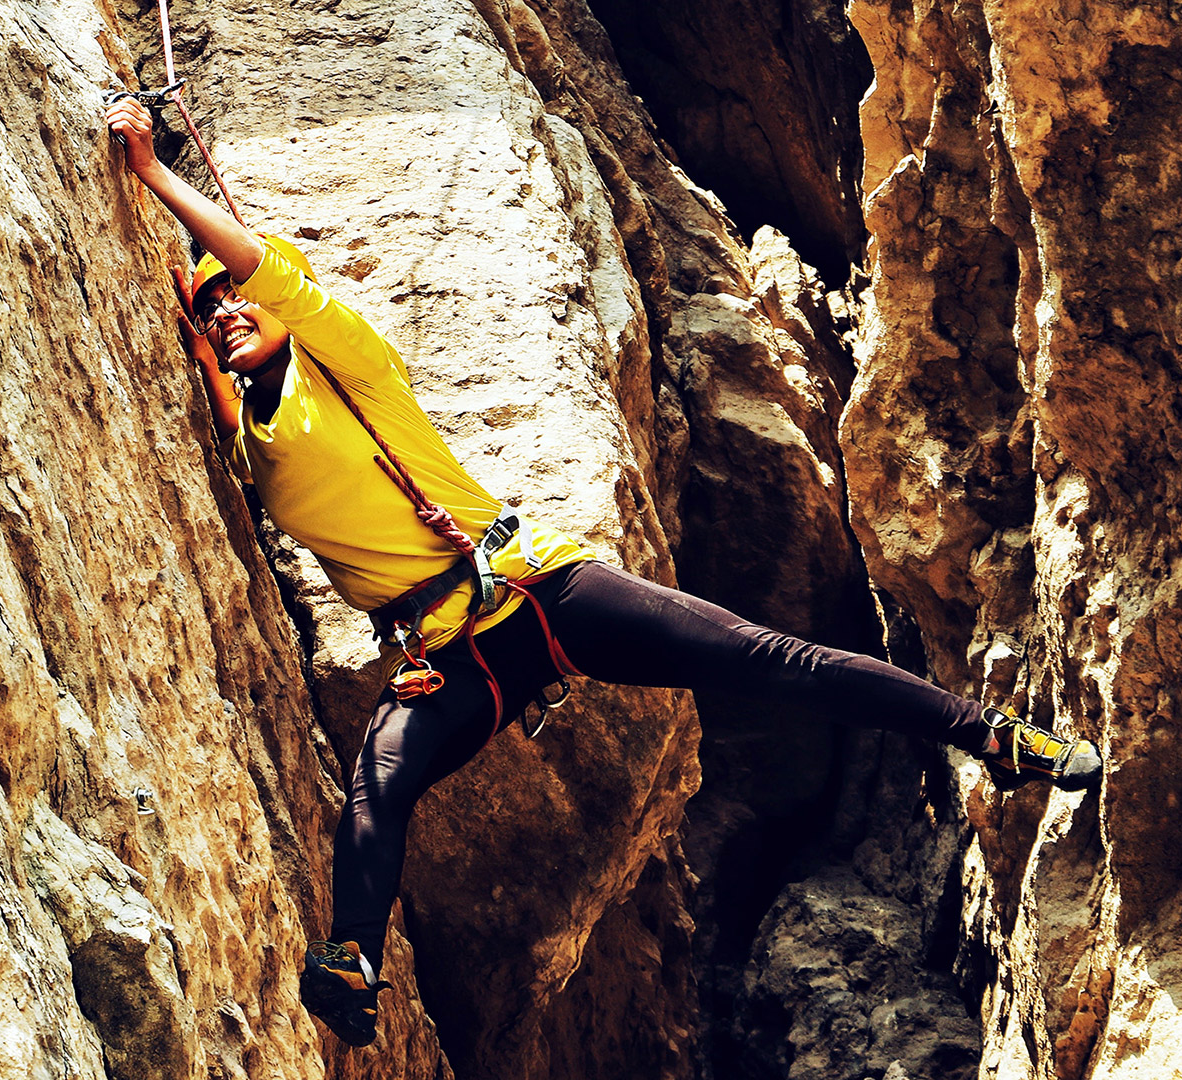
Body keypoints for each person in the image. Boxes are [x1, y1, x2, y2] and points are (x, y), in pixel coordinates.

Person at [101, 96, 1099, 1048]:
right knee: (377, 789)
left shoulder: (351, 364)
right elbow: (209, 347)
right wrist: (189, 312)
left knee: (770, 660)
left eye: (242, 302)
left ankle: (995, 736)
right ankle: (352, 962)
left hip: (538, 587)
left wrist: (152, 170)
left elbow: (248, 263)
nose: (230, 312)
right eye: (213, 314)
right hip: (451, 654)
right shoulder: (250, 443)